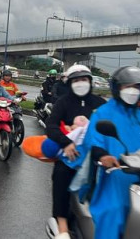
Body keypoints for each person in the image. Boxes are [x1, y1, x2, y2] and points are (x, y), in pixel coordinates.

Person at [68, 66, 140, 239]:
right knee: (114, 211)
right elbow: (93, 141)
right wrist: (103, 156)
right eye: (127, 86)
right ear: (117, 88)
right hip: (114, 176)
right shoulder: (103, 113)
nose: (133, 91)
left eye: (137, 87)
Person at [45, 64, 106, 238]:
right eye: (77, 80)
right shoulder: (63, 102)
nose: (81, 83)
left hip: (97, 154)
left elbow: (113, 125)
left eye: (84, 79)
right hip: (71, 155)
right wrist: (66, 143)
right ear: (70, 83)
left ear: (90, 82)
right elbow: (51, 126)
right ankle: (62, 226)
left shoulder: (100, 103)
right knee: (61, 175)